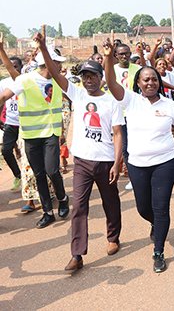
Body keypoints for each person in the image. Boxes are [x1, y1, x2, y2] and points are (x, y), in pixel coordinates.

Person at [102, 38, 174, 273]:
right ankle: (156, 226)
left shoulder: (169, 106)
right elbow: (110, 83)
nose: (150, 82)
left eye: (154, 79)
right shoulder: (131, 101)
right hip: (138, 163)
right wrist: (108, 58)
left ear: (159, 82)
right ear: (138, 83)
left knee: (161, 208)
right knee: (143, 208)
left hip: (165, 163)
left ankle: (158, 251)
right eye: (145, 79)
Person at [39, 45, 124, 271]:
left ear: (100, 77)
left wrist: (117, 162)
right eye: (85, 77)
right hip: (82, 162)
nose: (88, 81)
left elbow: (117, 134)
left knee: (110, 201)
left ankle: (113, 237)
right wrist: (42, 47)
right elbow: (55, 73)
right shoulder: (76, 94)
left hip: (105, 161)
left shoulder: (111, 101)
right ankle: (77, 254)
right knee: (79, 207)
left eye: (92, 76)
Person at [0, 25, 69, 228]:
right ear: (47, 63)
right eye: (58, 63)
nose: (60, 67)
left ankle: (63, 198)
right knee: (39, 174)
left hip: (50, 134)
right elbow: (4, 96)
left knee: (52, 170)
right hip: (31, 135)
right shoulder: (25, 80)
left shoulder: (59, 81)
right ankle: (47, 212)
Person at [114, 43, 141, 191]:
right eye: (121, 54)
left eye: (127, 53)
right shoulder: (112, 71)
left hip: (136, 112)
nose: (124, 56)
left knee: (138, 144)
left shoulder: (137, 69)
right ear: (116, 56)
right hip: (119, 114)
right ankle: (133, 178)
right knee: (125, 147)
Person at [0, 33, 22, 191]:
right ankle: (18, 175)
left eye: (16, 67)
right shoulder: (4, 83)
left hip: (26, 124)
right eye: (11, 66)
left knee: (27, 154)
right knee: (6, 150)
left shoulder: (26, 80)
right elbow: (1, 101)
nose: (13, 69)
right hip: (11, 122)